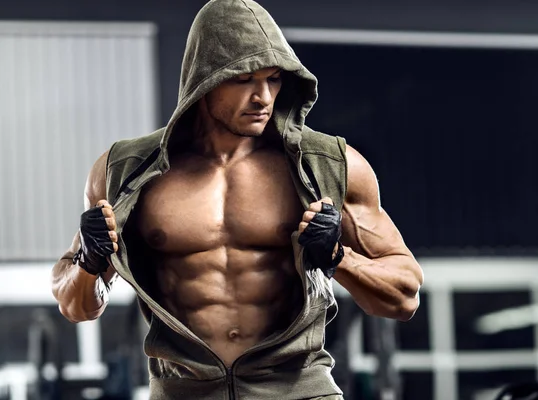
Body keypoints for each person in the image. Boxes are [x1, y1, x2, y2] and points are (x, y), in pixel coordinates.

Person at [51, 0, 424, 398]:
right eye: (244, 79)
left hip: (298, 390)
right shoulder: (126, 170)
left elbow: (404, 296)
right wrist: (90, 262)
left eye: (274, 79)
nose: (264, 96)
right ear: (205, 81)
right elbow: (77, 306)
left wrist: (337, 257)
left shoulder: (330, 165)